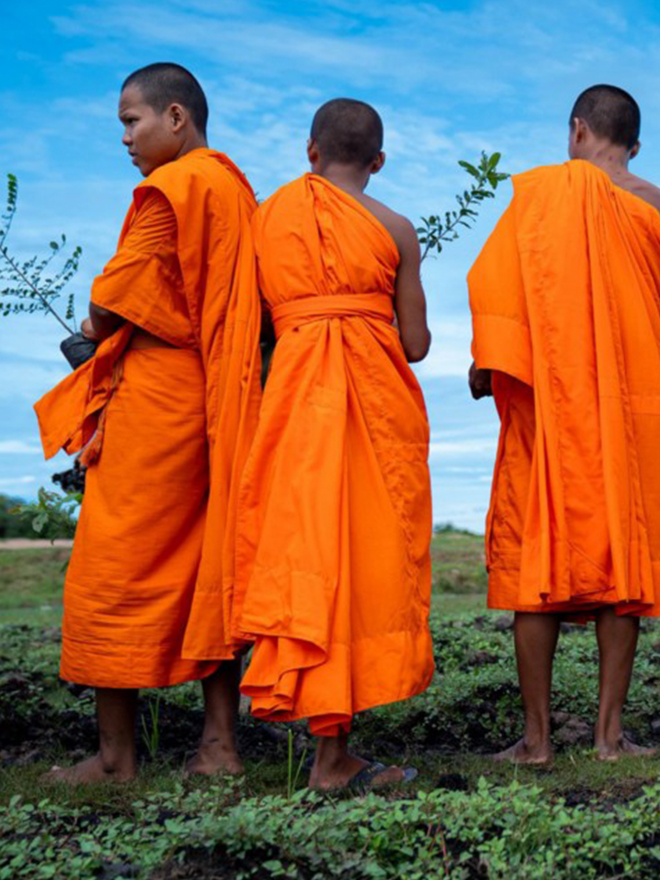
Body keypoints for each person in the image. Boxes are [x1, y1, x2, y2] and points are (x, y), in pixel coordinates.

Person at [467, 84, 660, 763]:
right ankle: (609, 736)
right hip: (634, 407)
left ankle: (535, 741)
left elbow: (494, 290)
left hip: (548, 406)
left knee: (540, 558)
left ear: (576, 130)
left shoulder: (536, 198)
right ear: (636, 145)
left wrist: (488, 367)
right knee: (624, 563)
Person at [33, 62, 262, 783]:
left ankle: (115, 757)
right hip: (215, 396)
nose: (125, 139)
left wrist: (95, 325)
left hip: (158, 400)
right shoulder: (234, 190)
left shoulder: (173, 190)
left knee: (112, 566)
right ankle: (219, 746)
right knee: (208, 565)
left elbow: (113, 301)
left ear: (175, 117)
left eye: (131, 122)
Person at [231, 99, 434, 790]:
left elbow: (242, 321)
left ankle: (316, 739)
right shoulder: (396, 229)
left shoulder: (270, 218)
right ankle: (332, 755)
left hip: (293, 407)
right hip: (374, 413)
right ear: (378, 162)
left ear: (309, 151)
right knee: (365, 561)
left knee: (307, 551)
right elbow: (415, 343)